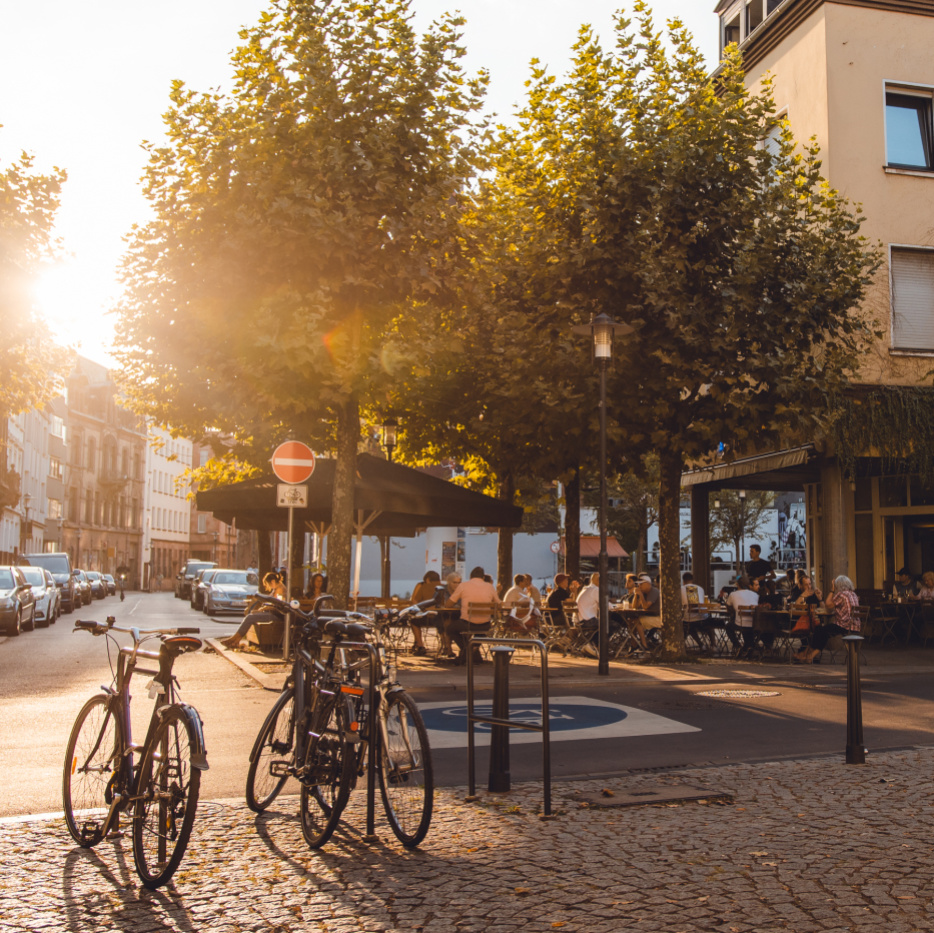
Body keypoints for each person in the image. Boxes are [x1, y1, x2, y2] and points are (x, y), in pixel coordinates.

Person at [797, 575, 860, 663]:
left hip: (844, 626)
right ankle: (809, 655)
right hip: (855, 627)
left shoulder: (841, 594)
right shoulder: (853, 594)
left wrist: (832, 590)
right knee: (822, 630)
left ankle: (810, 655)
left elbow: (828, 604)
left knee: (821, 630)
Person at [446, 566, 500, 665]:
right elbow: (498, 603)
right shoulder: (489, 586)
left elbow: (449, 604)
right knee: (480, 632)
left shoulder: (463, 585)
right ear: (483, 577)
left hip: (467, 623)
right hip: (485, 624)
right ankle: (473, 653)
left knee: (450, 629)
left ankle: (467, 651)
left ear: (470, 577)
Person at [221, 572, 286, 649]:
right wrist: (261, 609)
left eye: (268, 584)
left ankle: (233, 639)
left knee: (250, 618)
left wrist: (262, 609)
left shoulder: (280, 590)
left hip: (276, 616)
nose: (268, 587)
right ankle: (236, 641)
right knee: (251, 615)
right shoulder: (276, 589)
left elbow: (277, 607)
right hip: (272, 613)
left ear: (272, 581)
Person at [623, 575, 662, 652]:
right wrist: (636, 596)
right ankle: (634, 644)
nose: (639, 586)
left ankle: (644, 645)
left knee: (638, 622)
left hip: (659, 618)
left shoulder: (653, 591)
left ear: (648, 584)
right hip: (650, 616)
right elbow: (635, 607)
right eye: (638, 584)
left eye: (641, 584)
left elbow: (646, 607)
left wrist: (640, 595)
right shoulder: (643, 592)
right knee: (631, 621)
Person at [409, 570, 441, 656]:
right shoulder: (442, 587)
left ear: (427, 579)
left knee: (414, 621)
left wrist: (422, 610)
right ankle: (445, 647)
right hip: (440, 617)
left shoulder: (422, 586)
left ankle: (420, 645)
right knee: (444, 623)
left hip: (426, 615)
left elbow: (415, 601)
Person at [725, 577, 759, 654]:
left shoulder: (733, 594)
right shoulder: (755, 595)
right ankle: (749, 646)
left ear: (738, 585)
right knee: (747, 627)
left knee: (728, 626)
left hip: (739, 623)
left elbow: (729, 608)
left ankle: (737, 645)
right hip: (754, 624)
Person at [681, 571, 713, 650]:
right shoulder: (700, 588)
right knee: (710, 623)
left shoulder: (681, 589)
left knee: (687, 625)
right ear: (692, 580)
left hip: (688, 620)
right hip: (703, 619)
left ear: (683, 581)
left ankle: (701, 645)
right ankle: (714, 645)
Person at [575, 573, 601, 657]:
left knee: (603, 624)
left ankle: (590, 645)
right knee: (609, 625)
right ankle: (593, 645)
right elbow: (606, 605)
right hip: (587, 620)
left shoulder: (585, 589)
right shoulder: (595, 589)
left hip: (578, 620)